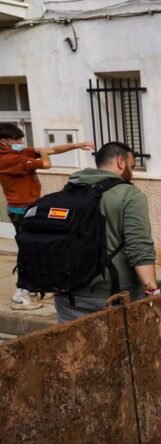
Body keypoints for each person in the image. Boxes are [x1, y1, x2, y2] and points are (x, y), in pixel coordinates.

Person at [54, 142, 159, 323]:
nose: (132, 173)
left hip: (68, 297)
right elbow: (139, 246)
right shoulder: (129, 194)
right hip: (112, 296)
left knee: (77, 350)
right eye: (132, 166)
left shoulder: (69, 190)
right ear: (120, 162)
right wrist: (152, 290)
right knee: (122, 350)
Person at [0, 123, 95, 309]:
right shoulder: (7, 159)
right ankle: (21, 293)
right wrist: (43, 153)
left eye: (21, 139)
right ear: (3, 142)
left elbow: (50, 150)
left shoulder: (18, 153)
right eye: (16, 140)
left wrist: (77, 145)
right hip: (21, 210)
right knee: (28, 250)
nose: (20, 143)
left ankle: (34, 287)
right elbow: (46, 162)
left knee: (36, 247)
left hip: (30, 207)